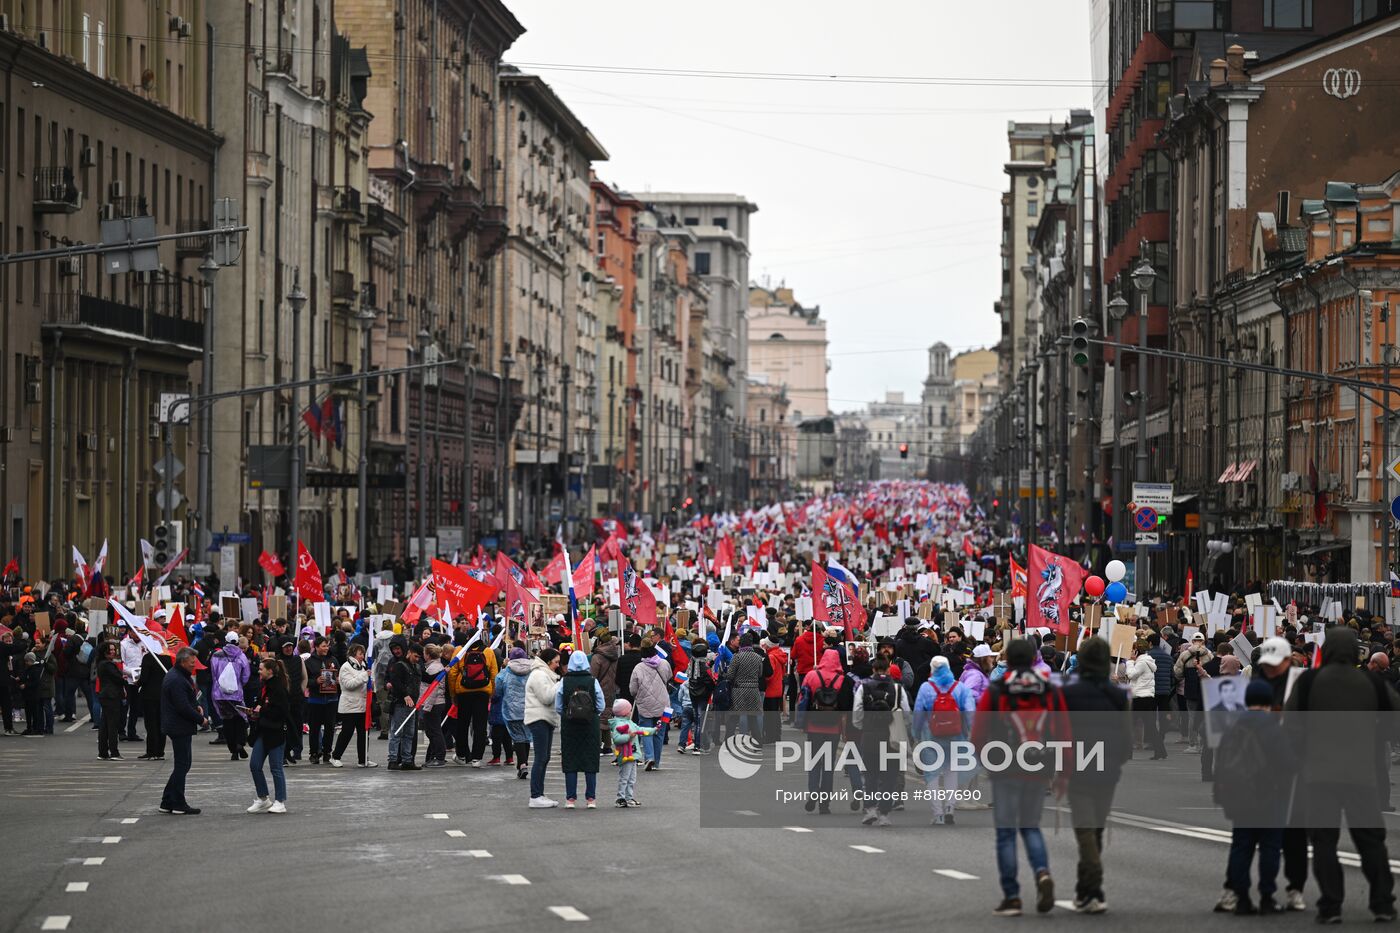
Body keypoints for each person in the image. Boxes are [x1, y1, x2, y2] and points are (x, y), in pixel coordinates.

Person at [1284, 627, 1397, 923]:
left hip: (1319, 774)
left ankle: (1331, 905)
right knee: (1371, 839)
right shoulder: (1371, 681)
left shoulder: (1309, 681)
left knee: (1323, 841)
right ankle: (1383, 902)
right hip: (1362, 773)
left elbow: (1291, 726)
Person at [971, 638, 1069, 917]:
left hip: (1004, 766)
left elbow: (979, 731)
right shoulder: (1049, 688)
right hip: (1039, 767)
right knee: (1030, 826)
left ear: (1008, 661)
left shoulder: (998, 688)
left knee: (1005, 833)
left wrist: (986, 759)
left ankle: (1012, 896)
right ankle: (1042, 872)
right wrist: (1064, 771)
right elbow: (1064, 730)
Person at [1060, 637, 1133, 913]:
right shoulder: (1118, 694)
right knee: (1097, 827)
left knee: (1084, 827)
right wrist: (1121, 756)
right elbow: (1126, 732)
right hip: (1108, 766)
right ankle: (1087, 889)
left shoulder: (1068, 692)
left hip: (1077, 765)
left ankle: (1093, 882)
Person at [1214, 678, 1297, 915]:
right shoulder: (1273, 727)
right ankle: (1267, 896)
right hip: (1269, 795)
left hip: (1239, 795)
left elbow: (1221, 762)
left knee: (1241, 845)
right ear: (1268, 702)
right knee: (1270, 847)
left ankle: (1240, 897)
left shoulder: (1232, 725)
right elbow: (1287, 763)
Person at [913, 654, 974, 825]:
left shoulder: (926, 687)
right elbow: (970, 712)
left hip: (930, 735)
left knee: (931, 774)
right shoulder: (960, 687)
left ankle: (938, 813)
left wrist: (915, 733)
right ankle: (950, 807)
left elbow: (918, 712)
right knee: (951, 771)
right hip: (956, 734)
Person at [853, 654, 911, 827]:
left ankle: (870, 808)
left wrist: (861, 725)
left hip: (870, 734)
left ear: (873, 669)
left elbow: (857, 710)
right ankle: (884, 812)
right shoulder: (898, 688)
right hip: (891, 735)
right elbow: (906, 712)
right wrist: (902, 724)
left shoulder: (864, 687)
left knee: (870, 773)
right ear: (888, 669)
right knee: (890, 775)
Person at [796, 646, 852, 815]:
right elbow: (845, 706)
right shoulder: (842, 680)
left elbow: (802, 699)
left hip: (814, 725)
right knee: (828, 765)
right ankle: (824, 803)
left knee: (814, 762)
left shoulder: (812, 676)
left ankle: (813, 791)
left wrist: (801, 721)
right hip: (833, 727)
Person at [159, 647, 207, 815]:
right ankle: (178, 802)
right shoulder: (176, 679)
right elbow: (182, 706)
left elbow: (188, 701)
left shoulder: (180, 676)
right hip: (178, 726)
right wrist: (200, 719)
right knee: (182, 764)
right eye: (192, 662)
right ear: (182, 661)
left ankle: (167, 801)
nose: (194, 665)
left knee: (183, 764)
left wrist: (197, 707)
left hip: (179, 724)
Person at [555, 649, 605, 808]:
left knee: (570, 760)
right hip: (590, 724)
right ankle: (591, 799)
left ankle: (570, 799)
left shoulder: (564, 681)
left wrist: (566, 714)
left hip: (570, 725)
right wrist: (594, 714)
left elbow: (558, 705)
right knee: (590, 759)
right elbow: (601, 704)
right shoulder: (592, 680)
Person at [246, 655, 291, 814]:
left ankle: (280, 801)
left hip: (276, 732)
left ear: (270, 671)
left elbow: (282, 712)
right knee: (254, 765)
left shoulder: (279, 688)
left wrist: (262, 710)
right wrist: (254, 711)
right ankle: (263, 798)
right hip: (263, 731)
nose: (259, 671)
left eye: (261, 669)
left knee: (276, 768)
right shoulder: (264, 686)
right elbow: (261, 704)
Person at [448, 633, 497, 767]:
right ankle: (477, 758)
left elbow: (452, 673)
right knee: (480, 725)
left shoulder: (459, 651)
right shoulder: (488, 652)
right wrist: (492, 692)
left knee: (462, 725)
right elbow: (493, 674)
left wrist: (453, 693)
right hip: (482, 692)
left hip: (463, 692)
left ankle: (462, 755)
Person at [525, 647, 562, 808]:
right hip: (539, 718)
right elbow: (546, 697)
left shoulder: (544, 674)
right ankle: (535, 795)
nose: (557, 665)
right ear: (548, 661)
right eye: (556, 662)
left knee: (544, 757)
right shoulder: (539, 675)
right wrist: (560, 685)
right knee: (541, 758)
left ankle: (539, 793)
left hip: (544, 718)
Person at [330, 643, 375, 768]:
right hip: (349, 706)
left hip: (362, 705)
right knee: (347, 732)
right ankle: (335, 756)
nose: (362, 656)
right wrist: (365, 676)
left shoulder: (363, 666)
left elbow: (365, 682)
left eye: (363, 654)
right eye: (360, 654)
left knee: (364, 733)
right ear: (353, 654)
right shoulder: (346, 667)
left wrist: (371, 683)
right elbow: (348, 685)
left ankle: (363, 759)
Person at [629, 644, 673, 771]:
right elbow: (669, 677)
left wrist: (637, 695)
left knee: (646, 731)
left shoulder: (638, 667)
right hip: (663, 703)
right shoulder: (664, 663)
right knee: (659, 732)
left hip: (644, 704)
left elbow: (633, 689)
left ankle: (649, 757)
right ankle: (657, 762)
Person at [209, 632, 251, 761]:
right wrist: (238, 684)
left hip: (219, 694)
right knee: (240, 719)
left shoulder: (216, 655)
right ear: (237, 641)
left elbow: (214, 674)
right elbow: (246, 675)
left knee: (227, 721)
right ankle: (240, 742)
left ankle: (233, 749)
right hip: (236, 694)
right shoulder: (241, 656)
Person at [609, 698, 655, 807]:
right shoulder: (619, 724)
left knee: (631, 778)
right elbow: (616, 739)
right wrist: (629, 736)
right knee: (624, 777)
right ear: (624, 712)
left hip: (633, 755)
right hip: (625, 754)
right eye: (629, 710)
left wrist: (653, 730)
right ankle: (620, 798)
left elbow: (640, 729)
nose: (631, 712)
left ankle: (629, 797)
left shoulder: (630, 722)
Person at [496, 646, 533, 779]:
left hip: (511, 709)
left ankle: (522, 764)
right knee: (527, 736)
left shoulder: (505, 673)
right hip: (529, 708)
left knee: (517, 737)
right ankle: (524, 763)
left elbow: (497, 690)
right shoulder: (532, 671)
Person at [1125, 640, 1166, 760]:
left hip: (1140, 698)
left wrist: (1129, 662)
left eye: (1133, 650)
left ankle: (1127, 753)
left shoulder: (1141, 662)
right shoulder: (1147, 661)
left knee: (1129, 725)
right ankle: (1161, 752)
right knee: (1151, 726)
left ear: (1137, 651)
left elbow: (1132, 675)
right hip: (1148, 697)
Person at [386, 639, 423, 771]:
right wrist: (405, 695)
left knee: (409, 733)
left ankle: (407, 760)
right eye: (416, 656)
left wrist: (443, 672)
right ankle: (393, 760)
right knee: (397, 732)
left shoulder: (417, 667)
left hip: (412, 705)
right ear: (409, 653)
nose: (417, 659)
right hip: (401, 704)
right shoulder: (399, 665)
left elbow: (426, 678)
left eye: (419, 657)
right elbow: (395, 681)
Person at [304, 636, 341, 764]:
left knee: (330, 727)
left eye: (327, 646)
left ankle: (327, 752)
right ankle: (314, 753)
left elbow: (339, 674)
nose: (326, 648)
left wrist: (337, 680)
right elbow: (304, 680)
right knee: (314, 728)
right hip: (315, 699)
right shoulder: (309, 662)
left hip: (331, 698)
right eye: (323, 646)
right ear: (316, 647)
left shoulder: (333, 659)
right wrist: (315, 681)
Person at [94, 640, 125, 760]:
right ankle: (114, 752)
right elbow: (118, 678)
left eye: (113, 650)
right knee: (112, 725)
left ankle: (103, 752)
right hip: (111, 696)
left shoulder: (102, 663)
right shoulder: (107, 665)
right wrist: (124, 679)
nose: (113, 652)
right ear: (104, 652)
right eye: (110, 650)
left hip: (105, 695)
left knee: (105, 725)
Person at [136, 648, 168, 761]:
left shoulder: (148, 658)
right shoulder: (167, 658)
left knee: (151, 724)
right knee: (160, 723)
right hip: (163, 694)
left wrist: (137, 684)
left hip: (149, 695)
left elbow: (144, 678)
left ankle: (151, 751)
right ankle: (160, 751)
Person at [420, 643, 449, 767]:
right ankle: (435, 755)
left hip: (434, 703)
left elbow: (432, 690)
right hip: (437, 702)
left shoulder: (433, 668)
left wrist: (427, 706)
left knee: (434, 731)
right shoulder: (437, 666)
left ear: (428, 655)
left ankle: (439, 756)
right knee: (433, 731)